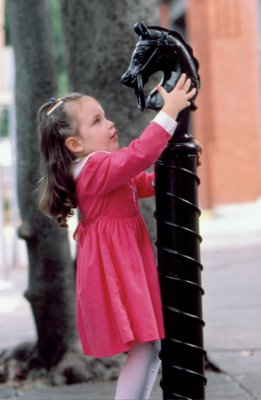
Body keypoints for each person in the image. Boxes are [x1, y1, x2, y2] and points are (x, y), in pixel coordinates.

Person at [37, 73, 197, 400]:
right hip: (117, 267)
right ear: (75, 144)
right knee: (145, 346)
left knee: (149, 346)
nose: (109, 123)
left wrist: (187, 165)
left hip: (125, 261)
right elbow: (140, 155)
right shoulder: (93, 169)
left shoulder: (104, 167)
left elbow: (145, 182)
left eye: (105, 116)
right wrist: (170, 112)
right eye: (97, 121)